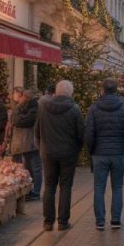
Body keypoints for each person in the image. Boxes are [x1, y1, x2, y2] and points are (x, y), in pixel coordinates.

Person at [86, 78, 124, 230]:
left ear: (102, 89)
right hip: (118, 153)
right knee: (117, 187)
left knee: (99, 187)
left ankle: (100, 221)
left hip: (99, 153)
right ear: (116, 90)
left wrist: (92, 150)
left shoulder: (94, 109)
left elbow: (89, 133)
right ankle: (115, 220)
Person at [35, 80, 84, 231]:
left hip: (48, 152)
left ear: (56, 92)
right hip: (68, 153)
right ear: (70, 93)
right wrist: (77, 149)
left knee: (49, 186)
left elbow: (37, 130)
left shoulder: (43, 107)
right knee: (66, 186)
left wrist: (42, 147)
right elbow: (81, 133)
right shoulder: (74, 109)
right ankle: (63, 222)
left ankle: (48, 222)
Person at [7, 87, 42, 201]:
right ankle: (30, 190)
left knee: (34, 167)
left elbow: (18, 121)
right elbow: (15, 120)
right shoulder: (26, 107)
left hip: (31, 142)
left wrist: (19, 107)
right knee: (29, 167)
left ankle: (35, 191)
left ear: (24, 97)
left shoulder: (32, 107)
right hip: (26, 142)